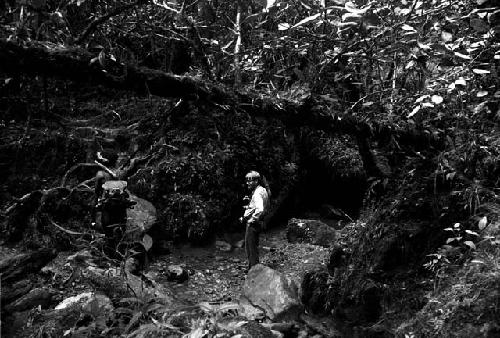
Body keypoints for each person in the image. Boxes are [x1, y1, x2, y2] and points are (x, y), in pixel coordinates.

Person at [240, 171, 270, 269]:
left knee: (250, 247)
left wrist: (251, 219)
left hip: (254, 224)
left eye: (250, 180)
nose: (247, 183)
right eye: (247, 180)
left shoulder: (257, 193)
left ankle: (254, 270)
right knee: (253, 247)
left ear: (256, 181)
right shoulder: (262, 190)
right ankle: (253, 267)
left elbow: (260, 209)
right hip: (261, 222)